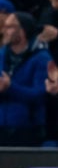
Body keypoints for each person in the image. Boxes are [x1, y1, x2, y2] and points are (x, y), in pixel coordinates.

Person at [0, 13, 52, 147]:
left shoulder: (41, 58)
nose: (4, 30)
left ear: (22, 31)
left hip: (27, 129)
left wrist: (10, 87)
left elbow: (40, 94)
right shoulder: (1, 55)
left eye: (9, 27)